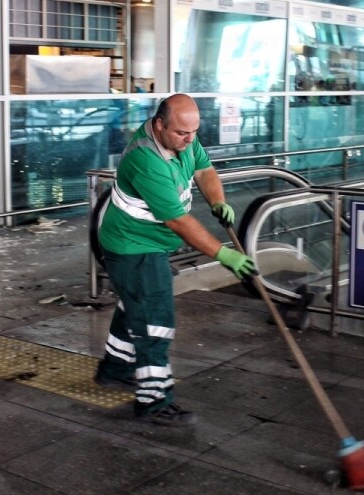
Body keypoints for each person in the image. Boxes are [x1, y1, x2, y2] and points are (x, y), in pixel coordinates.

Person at [94, 93, 255, 427]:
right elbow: (180, 222)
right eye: (183, 133)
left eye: (194, 132)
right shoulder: (147, 160)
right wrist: (224, 254)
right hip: (132, 246)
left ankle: (115, 368)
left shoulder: (183, 139)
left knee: (135, 303)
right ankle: (153, 400)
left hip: (146, 243)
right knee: (155, 319)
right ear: (159, 125)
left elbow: (205, 170)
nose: (190, 139)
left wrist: (217, 201)